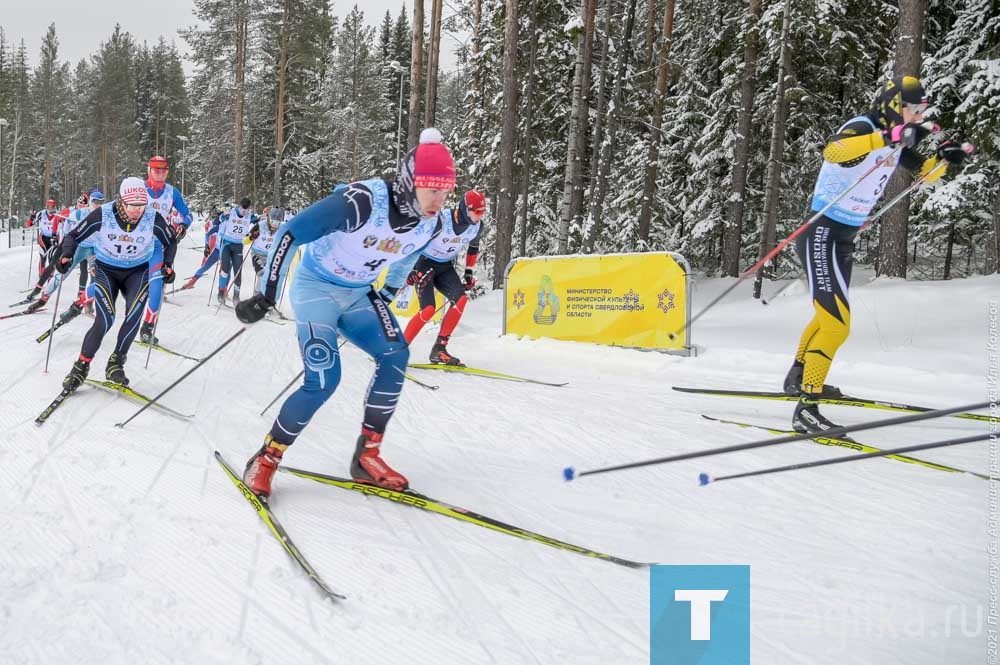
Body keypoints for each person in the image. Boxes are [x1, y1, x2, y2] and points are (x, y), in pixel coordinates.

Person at [234, 127, 456, 497]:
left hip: (356, 293)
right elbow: (290, 232)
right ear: (408, 182)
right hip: (317, 288)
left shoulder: (430, 223)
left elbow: (408, 255)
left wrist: (385, 291)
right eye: (432, 189)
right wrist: (267, 296)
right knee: (323, 379)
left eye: (445, 191)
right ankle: (267, 457)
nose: (439, 199)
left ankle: (367, 456)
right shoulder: (364, 202)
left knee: (395, 353)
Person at [782, 75, 969, 433]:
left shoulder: (899, 138)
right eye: (913, 109)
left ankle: (798, 377)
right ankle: (807, 407)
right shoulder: (864, 127)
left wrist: (946, 160)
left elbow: (924, 174)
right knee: (837, 324)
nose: (917, 116)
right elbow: (834, 151)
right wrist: (888, 137)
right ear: (894, 105)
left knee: (826, 318)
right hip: (822, 231)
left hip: (844, 236)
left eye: (922, 110)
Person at [57, 177, 178, 391]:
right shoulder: (103, 214)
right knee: (106, 319)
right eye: (132, 206)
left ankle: (116, 363)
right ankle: (80, 367)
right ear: (121, 201)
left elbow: (170, 241)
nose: (137, 211)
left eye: (141, 206)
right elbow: (73, 236)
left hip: (137, 272)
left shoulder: (152, 217)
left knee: (133, 316)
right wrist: (67, 255)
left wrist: (168, 265)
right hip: (107, 270)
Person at [402, 189, 487, 365]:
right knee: (428, 310)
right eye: (476, 212)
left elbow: (473, 247)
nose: (479, 216)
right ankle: (397, 351)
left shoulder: (477, 227)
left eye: (482, 212)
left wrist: (469, 271)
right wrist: (410, 268)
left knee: (461, 300)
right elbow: (415, 240)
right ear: (465, 208)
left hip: (445, 267)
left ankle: (439, 349)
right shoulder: (441, 220)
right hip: (424, 263)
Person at [140, 155, 192, 344]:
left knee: (156, 288)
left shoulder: (172, 192)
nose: (160, 174)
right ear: (149, 171)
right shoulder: (139, 188)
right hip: (135, 244)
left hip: (156, 246)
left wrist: (183, 226)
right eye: (156, 170)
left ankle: (147, 328)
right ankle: (80, 303)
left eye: (164, 170)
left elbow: (187, 214)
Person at [26, 191, 103, 314]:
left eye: (100, 202)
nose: (98, 205)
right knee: (61, 273)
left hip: (94, 248)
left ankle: (88, 302)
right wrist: (65, 244)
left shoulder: (104, 215)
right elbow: (66, 230)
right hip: (78, 247)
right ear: (89, 202)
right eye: (95, 202)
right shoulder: (76, 214)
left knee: (96, 273)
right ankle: (43, 299)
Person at [214, 197, 257, 305]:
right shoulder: (231, 213)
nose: (244, 211)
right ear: (239, 206)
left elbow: (259, 222)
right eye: (243, 209)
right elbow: (217, 220)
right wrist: (223, 215)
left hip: (238, 246)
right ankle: (220, 293)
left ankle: (236, 297)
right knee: (225, 270)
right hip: (227, 244)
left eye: (246, 210)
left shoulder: (249, 215)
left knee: (238, 272)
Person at [248, 207, 281, 286]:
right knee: (262, 274)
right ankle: (257, 296)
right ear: (269, 219)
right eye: (273, 222)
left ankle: (264, 296)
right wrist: (251, 237)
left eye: (277, 223)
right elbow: (245, 241)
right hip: (257, 254)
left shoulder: (282, 228)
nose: (274, 225)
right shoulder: (260, 225)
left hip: (270, 256)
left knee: (270, 278)